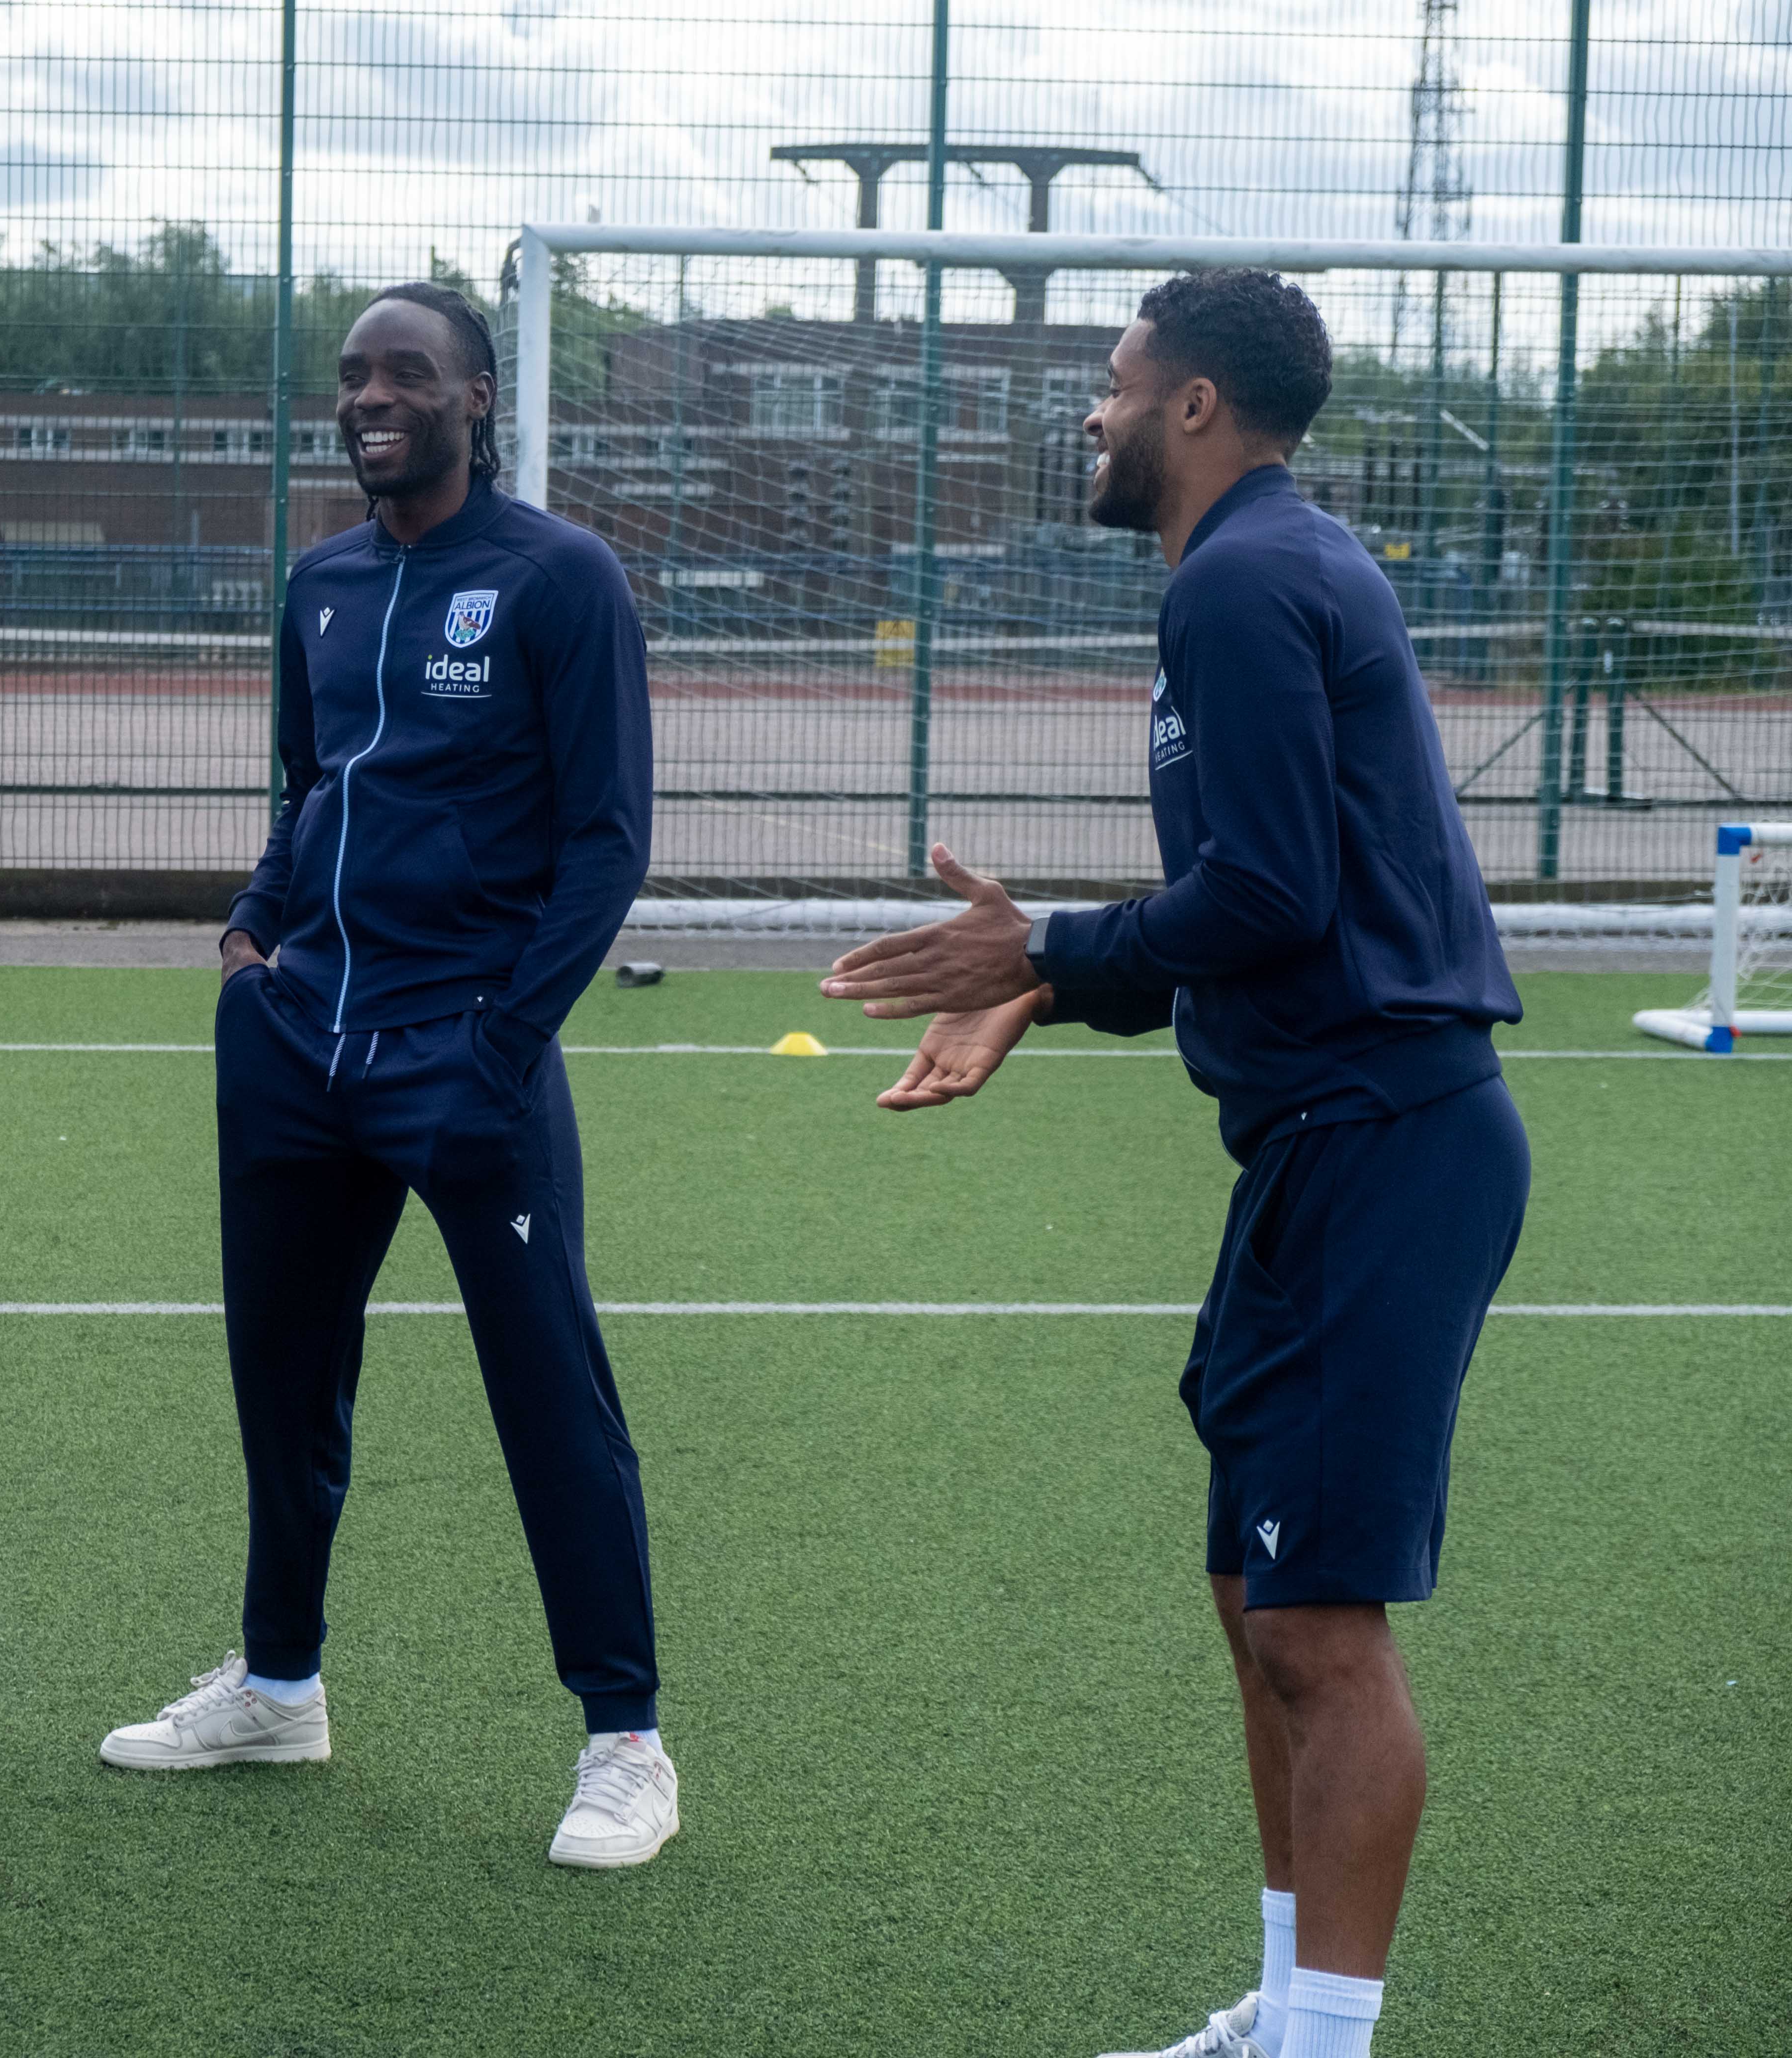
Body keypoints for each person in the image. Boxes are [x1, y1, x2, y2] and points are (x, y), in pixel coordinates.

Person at [819, 269, 1528, 2058]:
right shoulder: (1254, 573)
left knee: (1317, 1623)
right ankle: (1290, 2006)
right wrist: (1048, 991)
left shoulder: (1242, 581)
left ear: (1194, 405)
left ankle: (1324, 2044)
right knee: (1255, 1590)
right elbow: (1274, 919)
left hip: (1388, 1141)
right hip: (1319, 1139)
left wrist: (1038, 950)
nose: (1092, 409)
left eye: (1114, 379)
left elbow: (1271, 896)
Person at [96, 282, 677, 1869]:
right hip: (297, 1041)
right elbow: (308, 785)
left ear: (476, 398)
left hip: (464, 1050)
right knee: (283, 1382)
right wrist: (250, 930)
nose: (371, 398)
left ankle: (623, 1736)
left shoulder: (559, 578)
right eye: (353, 375)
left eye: (405, 373)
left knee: (548, 1386)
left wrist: (503, 1040)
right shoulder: (327, 577)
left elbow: (605, 840)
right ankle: (279, 1682)